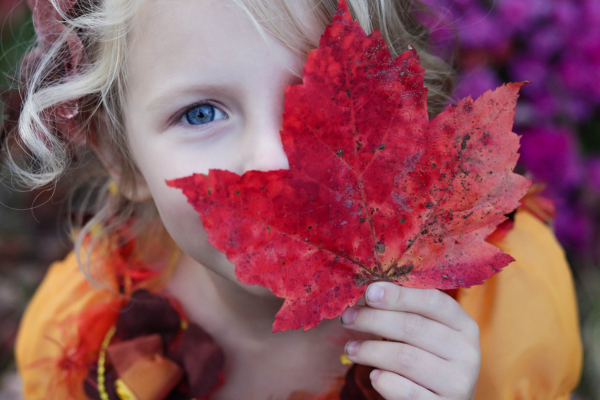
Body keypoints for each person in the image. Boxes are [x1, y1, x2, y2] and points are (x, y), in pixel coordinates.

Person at [2, 0, 582, 399]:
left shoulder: (498, 320)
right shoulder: (90, 343)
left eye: (315, 91)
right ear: (118, 157)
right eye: (201, 113)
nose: (274, 161)